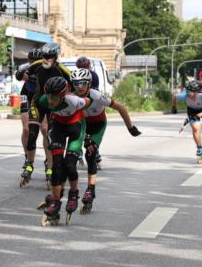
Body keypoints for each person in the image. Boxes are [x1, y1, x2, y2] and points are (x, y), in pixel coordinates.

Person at [69, 67, 141, 213]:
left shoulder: (96, 95)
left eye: (83, 83)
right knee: (72, 154)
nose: (80, 87)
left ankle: (90, 189)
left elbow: (121, 107)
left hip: (98, 125)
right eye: (76, 84)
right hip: (82, 124)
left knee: (91, 154)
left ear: (89, 84)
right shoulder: (72, 98)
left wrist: (130, 127)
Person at [36, 77, 87, 226]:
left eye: (55, 97)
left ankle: (73, 194)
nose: (51, 100)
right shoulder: (44, 100)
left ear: (63, 95)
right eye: (49, 96)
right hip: (58, 125)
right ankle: (56, 203)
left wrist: (89, 135)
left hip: (75, 126)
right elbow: (43, 115)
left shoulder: (74, 100)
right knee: (57, 166)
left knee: (70, 165)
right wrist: (44, 125)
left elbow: (89, 104)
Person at [31, 42, 73, 183]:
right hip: (38, 103)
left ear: (55, 57)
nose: (46, 59)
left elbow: (73, 83)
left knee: (51, 138)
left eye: (49, 57)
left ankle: (50, 168)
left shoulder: (61, 69)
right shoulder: (37, 64)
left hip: (53, 106)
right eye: (44, 56)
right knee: (32, 134)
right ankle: (29, 165)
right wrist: (22, 75)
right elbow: (20, 73)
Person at [14, 48, 45, 186]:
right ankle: (28, 157)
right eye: (31, 61)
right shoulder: (26, 67)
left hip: (41, 97)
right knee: (26, 130)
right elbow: (18, 74)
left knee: (45, 129)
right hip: (28, 94)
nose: (34, 63)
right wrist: (21, 75)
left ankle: (48, 162)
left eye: (36, 61)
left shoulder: (46, 66)